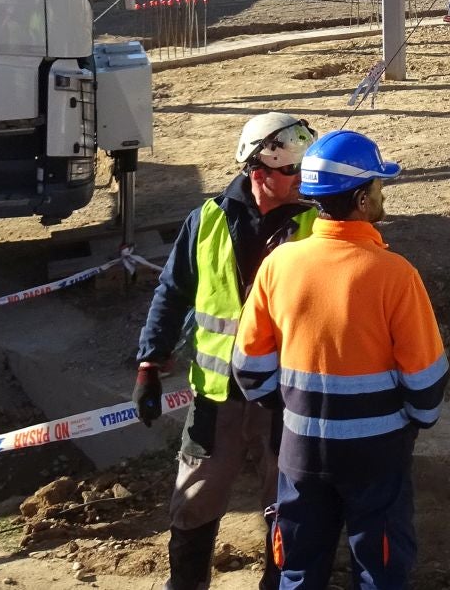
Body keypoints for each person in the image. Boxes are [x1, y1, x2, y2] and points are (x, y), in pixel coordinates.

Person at [233, 129, 446, 590]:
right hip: (377, 455)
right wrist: (411, 422)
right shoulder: (395, 274)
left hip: (300, 452)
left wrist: (292, 408)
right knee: (381, 573)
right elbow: (426, 381)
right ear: (362, 200)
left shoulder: (279, 264)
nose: (381, 192)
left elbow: (250, 364)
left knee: (298, 570)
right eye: (377, 185)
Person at [134, 112, 319, 590]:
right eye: (293, 170)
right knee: (194, 501)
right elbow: (172, 292)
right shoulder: (207, 220)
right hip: (217, 399)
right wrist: (150, 363)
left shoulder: (315, 225)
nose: (304, 178)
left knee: (287, 504)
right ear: (259, 172)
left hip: (285, 398)